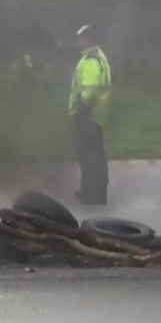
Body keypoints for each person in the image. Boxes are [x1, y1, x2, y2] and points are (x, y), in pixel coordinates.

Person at [68, 24, 111, 205]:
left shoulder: (91, 61)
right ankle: (96, 192)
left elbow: (90, 90)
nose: (77, 42)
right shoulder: (98, 57)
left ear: (88, 39)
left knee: (88, 156)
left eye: (80, 38)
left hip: (88, 116)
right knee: (95, 156)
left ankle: (91, 194)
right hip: (96, 116)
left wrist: (81, 111)